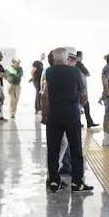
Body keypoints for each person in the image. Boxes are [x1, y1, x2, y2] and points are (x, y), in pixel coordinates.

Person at [42, 47, 94, 193]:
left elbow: (45, 95)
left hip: (54, 113)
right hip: (71, 113)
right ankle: (77, 182)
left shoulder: (49, 72)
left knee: (53, 148)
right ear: (66, 58)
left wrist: (45, 115)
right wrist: (81, 102)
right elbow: (84, 95)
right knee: (75, 147)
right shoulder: (76, 72)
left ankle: (53, 181)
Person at [74, 51, 97, 127]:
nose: (82, 58)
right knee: (82, 106)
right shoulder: (79, 65)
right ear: (78, 57)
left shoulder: (73, 66)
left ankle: (88, 122)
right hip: (81, 90)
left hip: (77, 90)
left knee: (83, 106)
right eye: (81, 56)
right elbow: (88, 73)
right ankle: (83, 123)